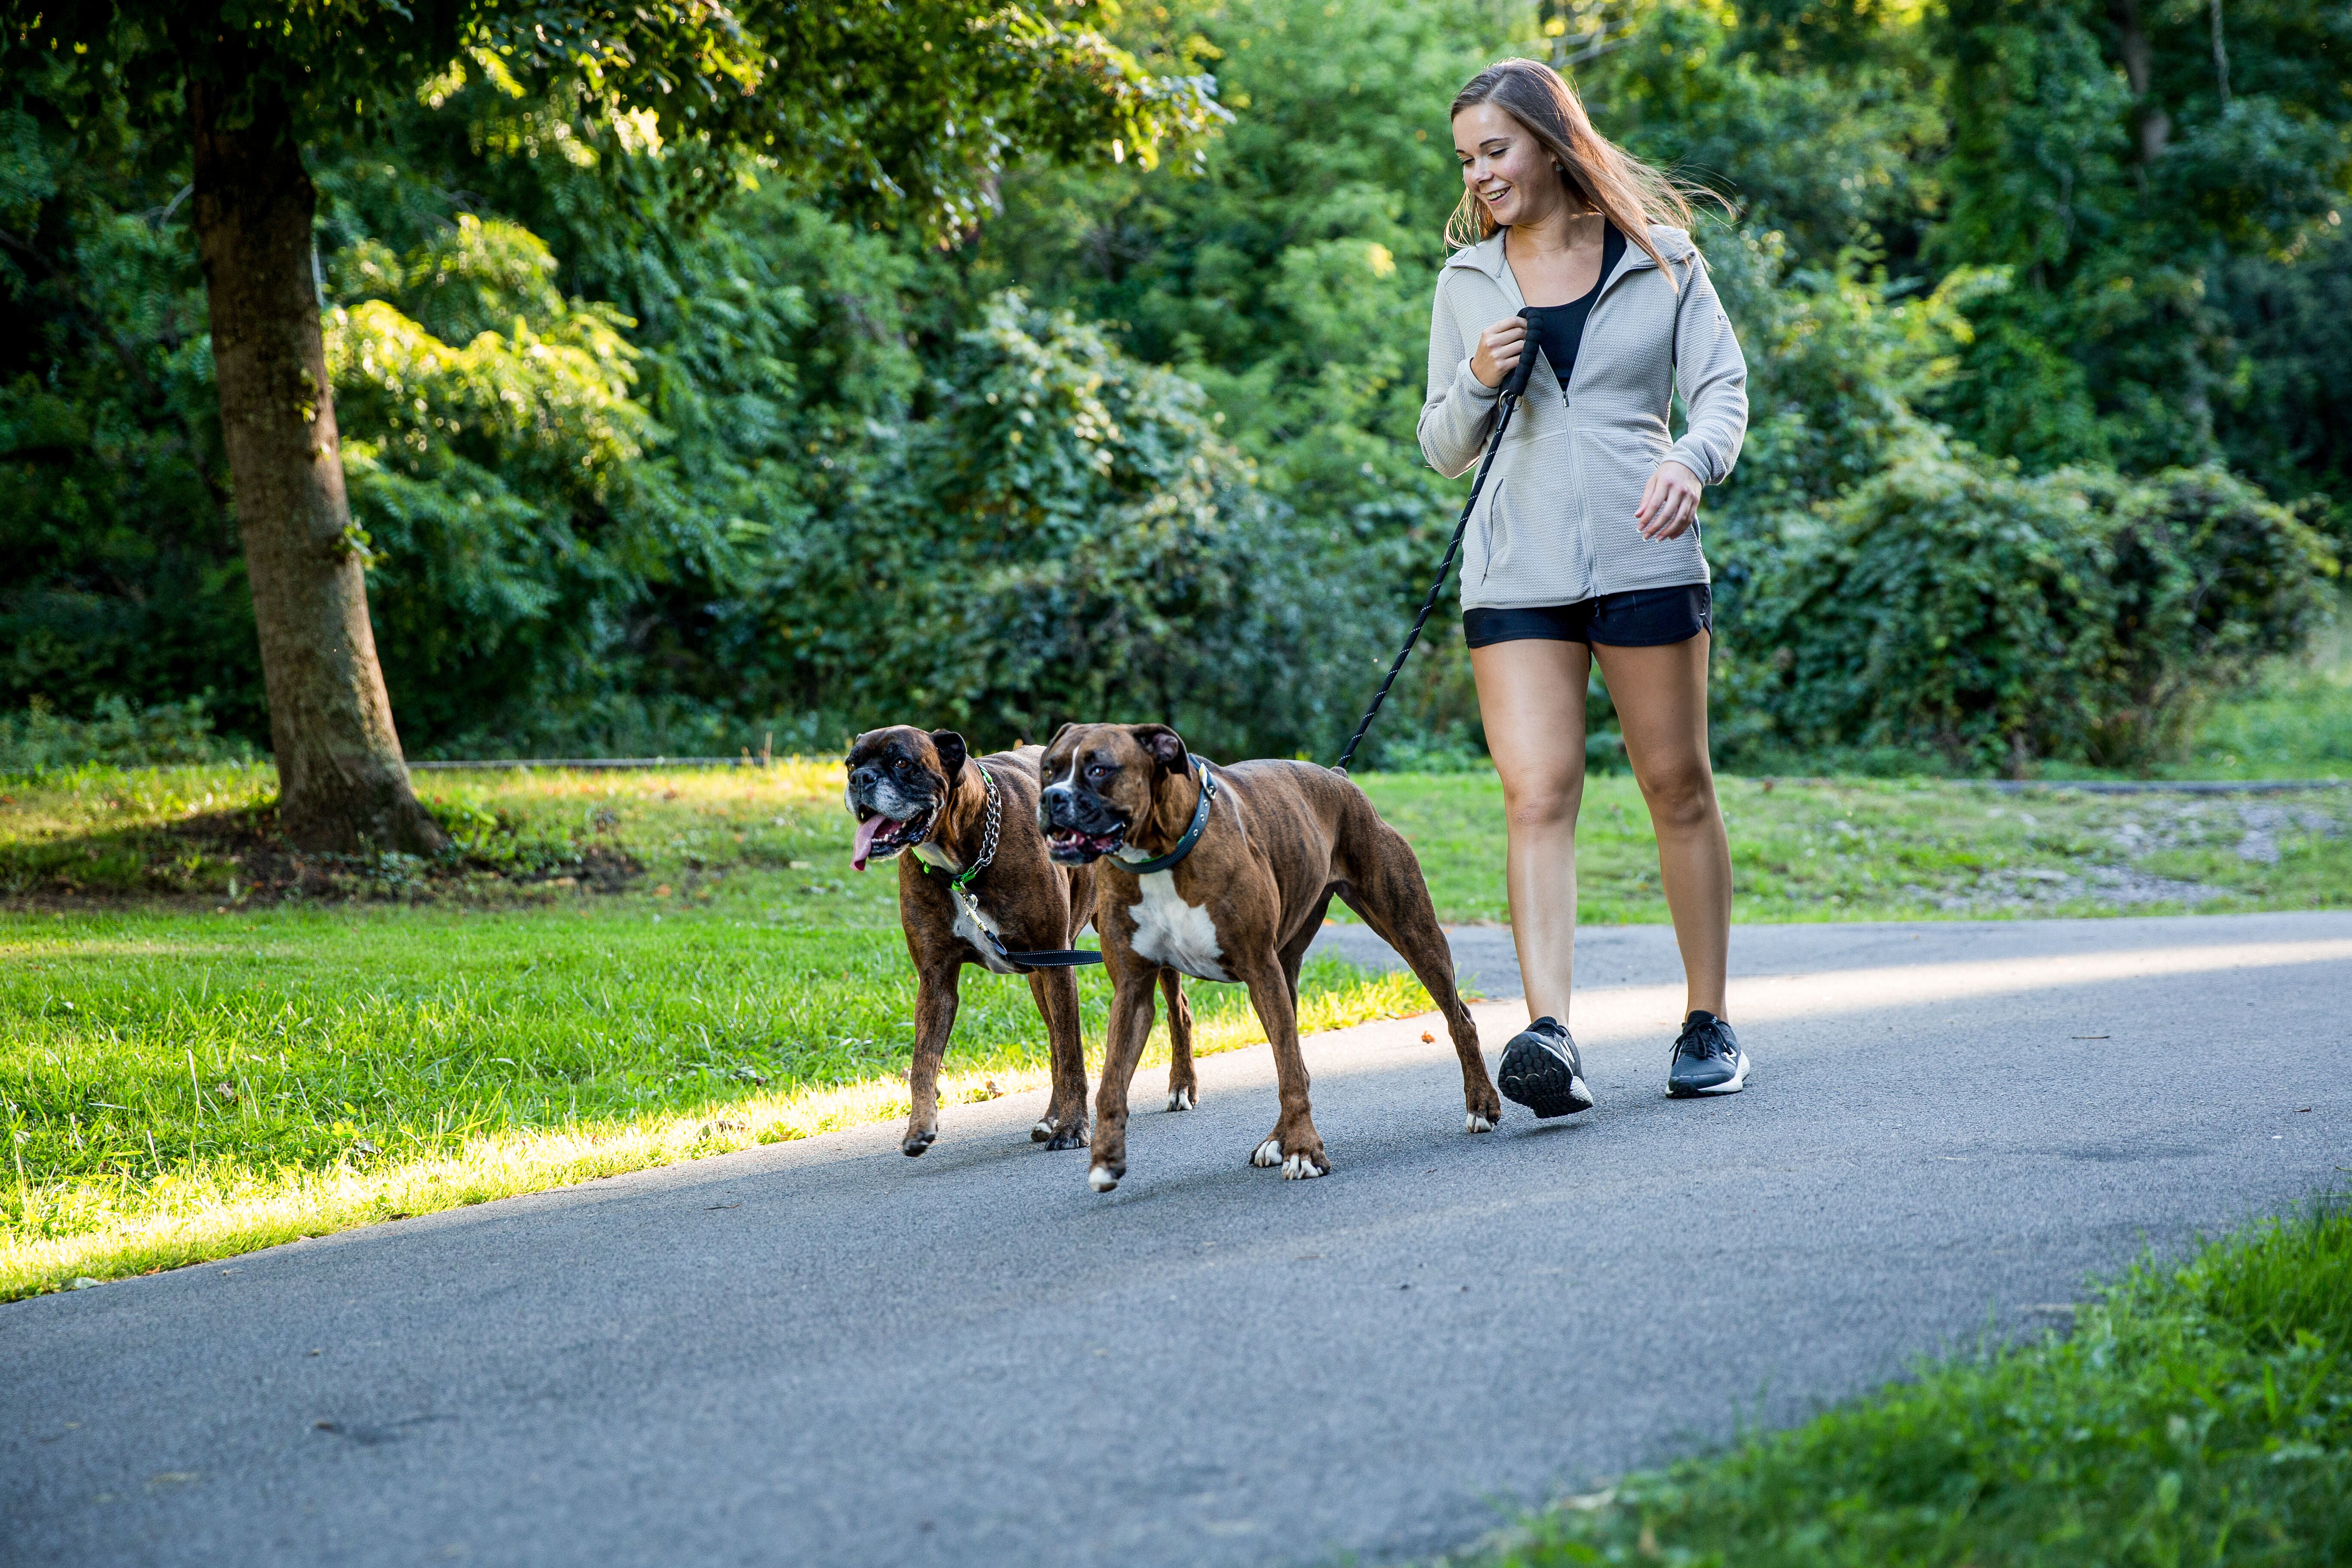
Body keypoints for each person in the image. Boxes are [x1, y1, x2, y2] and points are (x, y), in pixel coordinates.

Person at [1418, 58, 1751, 1117]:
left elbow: (1724, 396)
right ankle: (1550, 1034)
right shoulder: (1467, 283)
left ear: (1553, 144)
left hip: (1646, 553)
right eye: (1468, 159)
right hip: (1516, 569)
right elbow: (1440, 447)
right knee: (1538, 791)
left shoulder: (1665, 259)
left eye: (1496, 151)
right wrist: (1476, 379)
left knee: (1677, 786)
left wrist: (1689, 463)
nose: (1480, 176)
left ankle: (1708, 1021)